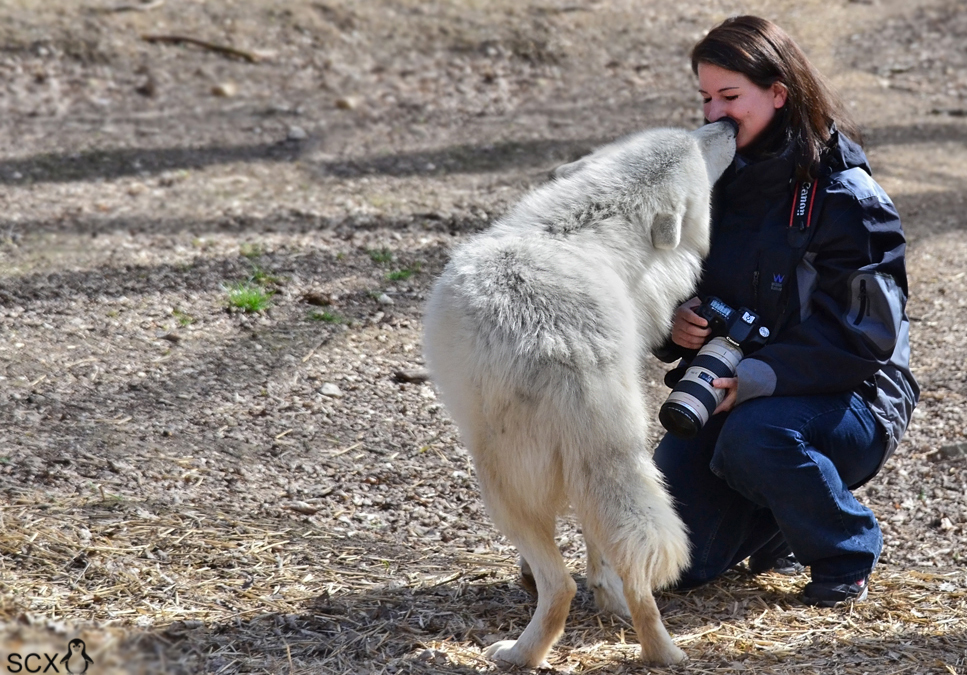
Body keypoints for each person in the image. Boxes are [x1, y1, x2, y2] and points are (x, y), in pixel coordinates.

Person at [652, 15, 919, 607]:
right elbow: (668, 277)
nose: (714, 114)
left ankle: (844, 549)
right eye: (705, 98)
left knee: (755, 439)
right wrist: (673, 325)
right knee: (673, 563)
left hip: (855, 393)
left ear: (778, 93)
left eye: (730, 97)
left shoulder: (847, 196)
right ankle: (779, 519)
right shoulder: (710, 181)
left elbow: (865, 337)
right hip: (732, 383)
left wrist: (752, 380)